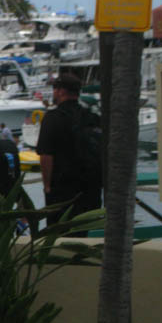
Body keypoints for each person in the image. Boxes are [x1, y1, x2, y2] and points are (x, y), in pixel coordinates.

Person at [37, 73, 101, 234]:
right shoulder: (91, 117)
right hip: (90, 186)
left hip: (62, 188)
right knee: (86, 231)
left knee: (59, 233)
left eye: (54, 89)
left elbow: (46, 156)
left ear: (60, 91)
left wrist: (47, 186)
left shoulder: (52, 118)